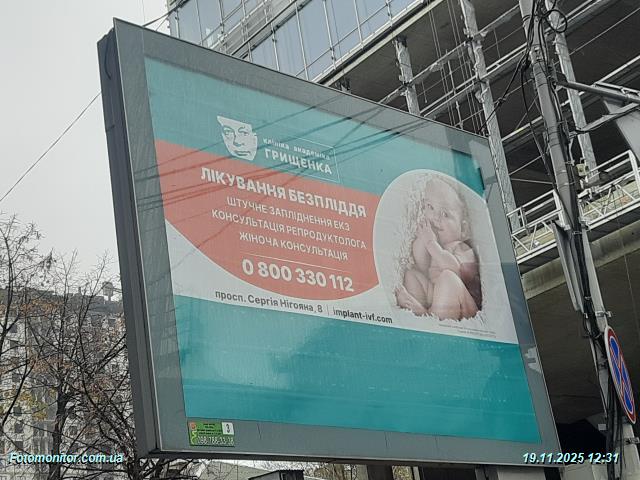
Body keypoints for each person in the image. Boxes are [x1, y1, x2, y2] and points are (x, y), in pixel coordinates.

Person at [396, 176, 482, 320]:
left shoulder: (462, 247)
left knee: (448, 278)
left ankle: (430, 318)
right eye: (430, 207)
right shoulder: (434, 245)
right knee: (411, 275)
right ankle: (422, 312)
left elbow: (456, 270)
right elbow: (421, 265)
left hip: (462, 305)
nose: (435, 217)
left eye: (445, 214)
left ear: (463, 229)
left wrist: (431, 244)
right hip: (435, 295)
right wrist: (423, 240)